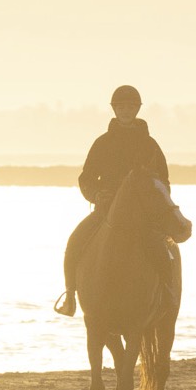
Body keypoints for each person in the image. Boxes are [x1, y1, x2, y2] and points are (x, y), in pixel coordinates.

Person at [55, 84, 173, 316]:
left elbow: (164, 182)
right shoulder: (102, 143)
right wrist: (96, 194)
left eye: (130, 107)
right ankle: (70, 297)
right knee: (74, 243)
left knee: (163, 250)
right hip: (106, 212)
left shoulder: (150, 145)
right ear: (114, 109)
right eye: (121, 107)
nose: (126, 111)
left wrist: (152, 205)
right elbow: (86, 178)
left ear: (137, 109)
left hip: (142, 218)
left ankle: (167, 295)